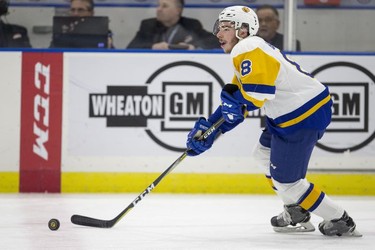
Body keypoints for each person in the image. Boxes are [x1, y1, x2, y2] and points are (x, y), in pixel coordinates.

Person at [186, 6, 360, 237]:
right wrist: (210, 130)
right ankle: (296, 210)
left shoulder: (249, 47)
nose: (219, 33)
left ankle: (340, 219)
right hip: (293, 113)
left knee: (288, 182)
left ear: (244, 31)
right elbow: (240, 104)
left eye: (226, 27)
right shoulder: (249, 52)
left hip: (302, 115)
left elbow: (255, 97)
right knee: (262, 155)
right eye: (219, 27)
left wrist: (223, 115)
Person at [127, 0, 220, 50]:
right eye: (158, 5)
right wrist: (153, 47)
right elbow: (132, 47)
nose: (158, 9)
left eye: (164, 6)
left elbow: (215, 41)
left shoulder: (191, 25)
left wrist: (194, 46)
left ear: (178, 10)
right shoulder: (148, 25)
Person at [50, 0, 114, 48]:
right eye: (73, 10)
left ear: (92, 13)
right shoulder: (61, 33)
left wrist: (108, 47)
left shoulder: (102, 32)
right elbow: (51, 53)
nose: (75, 14)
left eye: (80, 10)